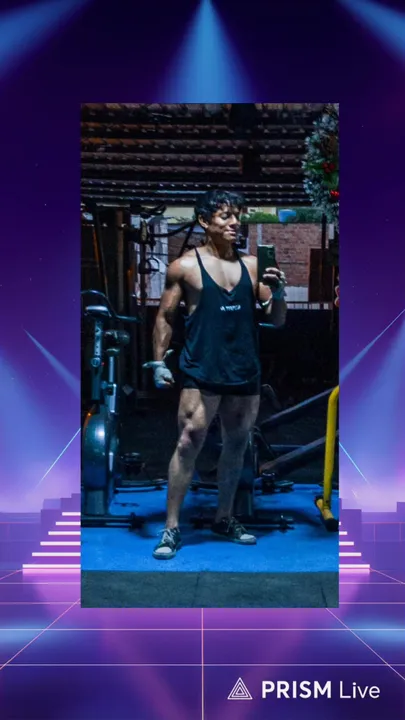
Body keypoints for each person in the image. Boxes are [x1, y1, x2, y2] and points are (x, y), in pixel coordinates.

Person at [149, 189, 287, 559]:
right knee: (188, 441)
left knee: (237, 444)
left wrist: (279, 293)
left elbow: (276, 319)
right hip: (202, 368)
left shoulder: (253, 266)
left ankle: (224, 518)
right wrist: (159, 362)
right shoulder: (184, 267)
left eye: (237, 215)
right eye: (226, 216)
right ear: (204, 221)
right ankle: (171, 527)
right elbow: (165, 317)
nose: (235, 222)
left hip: (244, 369)